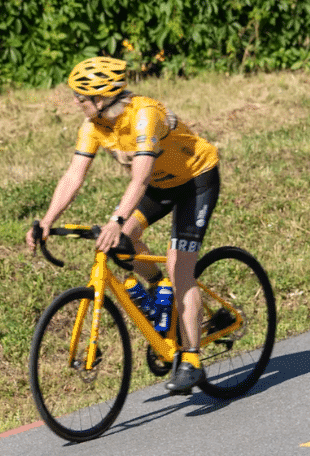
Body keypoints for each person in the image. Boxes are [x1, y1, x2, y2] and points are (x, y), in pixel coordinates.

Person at [24, 57, 221, 395]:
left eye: (81, 97)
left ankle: (191, 358)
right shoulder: (94, 125)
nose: (75, 102)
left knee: (179, 268)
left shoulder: (145, 115)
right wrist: (46, 221)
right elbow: (74, 176)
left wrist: (116, 220)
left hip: (195, 181)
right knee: (121, 244)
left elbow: (140, 176)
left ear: (101, 98)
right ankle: (162, 293)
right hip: (159, 188)